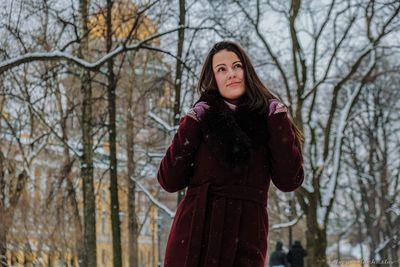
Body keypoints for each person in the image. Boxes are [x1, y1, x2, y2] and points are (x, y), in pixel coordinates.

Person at [157, 41, 304, 267]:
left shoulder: (269, 120)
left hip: (246, 239)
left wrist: (279, 121)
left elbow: (289, 180)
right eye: (221, 69)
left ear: (247, 71)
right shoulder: (202, 119)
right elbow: (169, 179)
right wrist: (191, 123)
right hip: (194, 237)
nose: (231, 74)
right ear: (212, 78)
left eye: (236, 66)